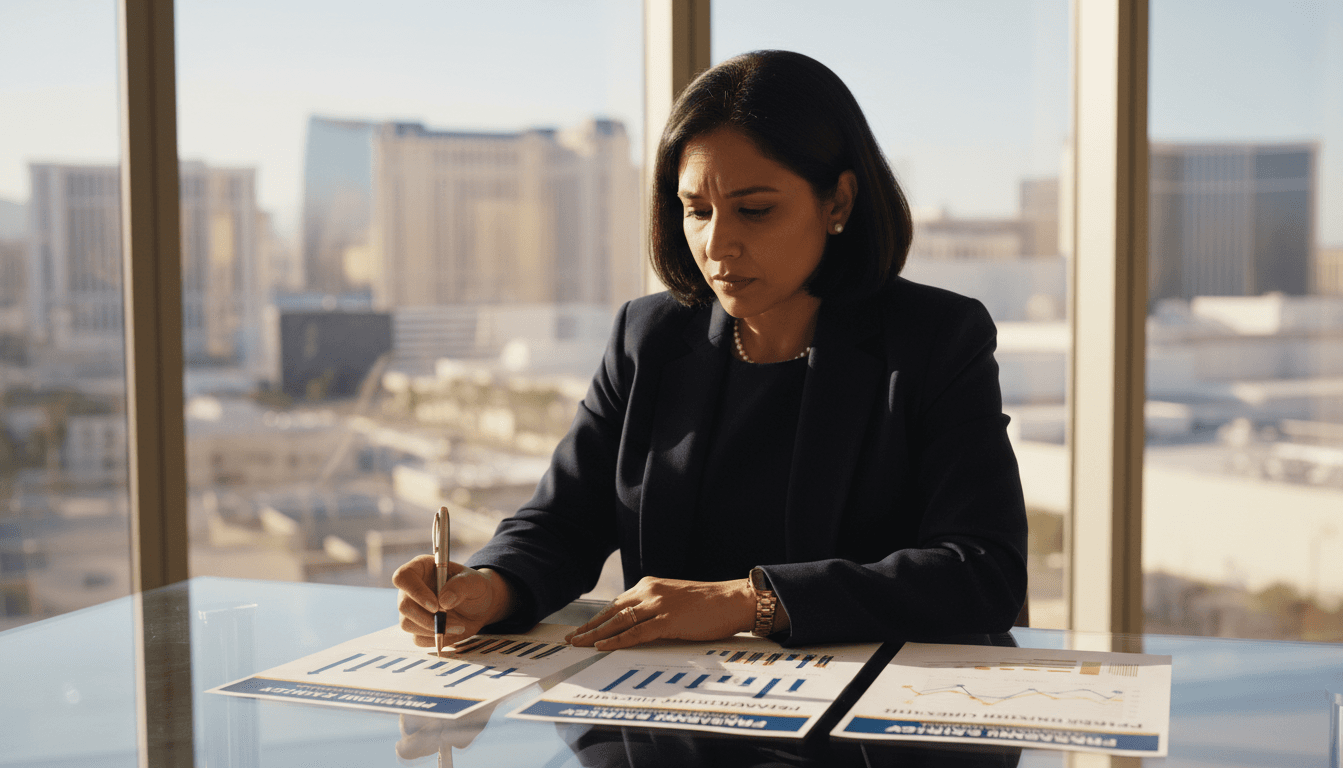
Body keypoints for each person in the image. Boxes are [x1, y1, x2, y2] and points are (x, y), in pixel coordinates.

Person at [394, 49, 1027, 652]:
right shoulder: (649, 338)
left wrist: (750, 602)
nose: (717, 244)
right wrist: (490, 585)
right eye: (696, 210)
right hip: (672, 719)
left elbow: (982, 571)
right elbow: (563, 522)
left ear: (837, 201)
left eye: (754, 210)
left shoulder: (935, 339)